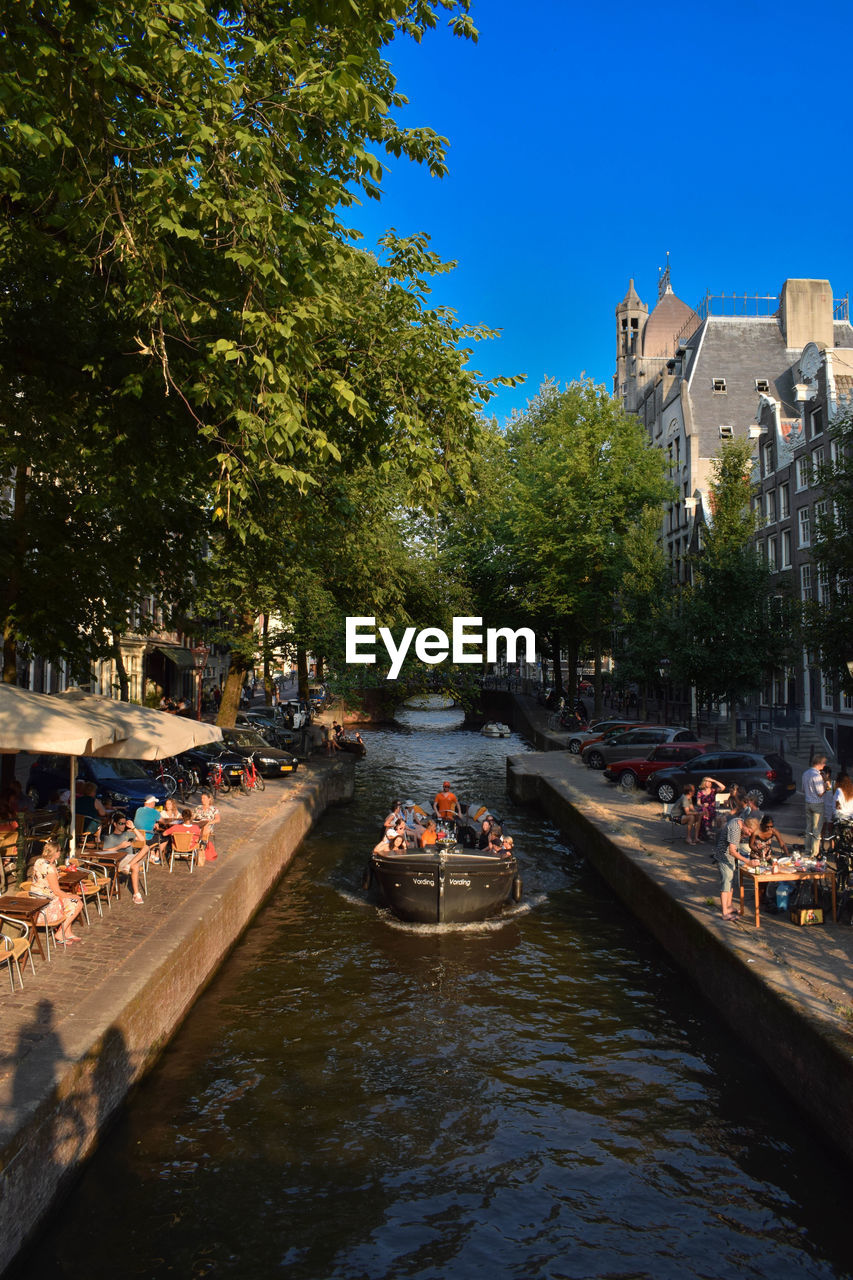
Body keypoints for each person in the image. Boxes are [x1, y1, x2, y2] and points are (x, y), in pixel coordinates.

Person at [712, 797, 759, 921]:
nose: (749, 834)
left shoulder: (740, 821)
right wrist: (747, 861)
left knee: (730, 882)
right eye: (749, 831)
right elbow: (732, 850)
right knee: (726, 883)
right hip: (724, 857)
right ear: (745, 825)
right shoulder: (734, 829)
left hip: (729, 857)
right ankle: (725, 912)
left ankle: (729, 906)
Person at [29, 838, 84, 942]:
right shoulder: (50, 869)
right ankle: (60, 932)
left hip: (36, 899)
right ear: (56, 853)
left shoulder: (39, 861)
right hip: (44, 906)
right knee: (77, 903)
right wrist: (73, 896)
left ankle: (68, 932)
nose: (60, 852)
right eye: (59, 850)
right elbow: (57, 891)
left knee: (69, 898)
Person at [102, 813, 148, 904]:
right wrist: (119, 846)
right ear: (115, 824)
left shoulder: (127, 834)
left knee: (146, 847)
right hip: (121, 860)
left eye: (124, 823)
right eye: (120, 823)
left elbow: (142, 839)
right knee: (135, 867)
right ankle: (136, 894)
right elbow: (105, 852)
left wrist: (133, 828)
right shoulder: (109, 837)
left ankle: (129, 865)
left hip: (131, 858)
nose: (123, 826)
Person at [803, 755, 827, 859]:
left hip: (808, 802)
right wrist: (826, 785)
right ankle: (814, 852)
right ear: (820, 763)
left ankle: (807, 850)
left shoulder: (805, 774)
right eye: (824, 763)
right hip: (817, 804)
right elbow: (820, 793)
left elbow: (803, 789)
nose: (825, 765)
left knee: (809, 827)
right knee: (817, 830)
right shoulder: (817, 776)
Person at [192, 792, 220, 861]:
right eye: (201, 798)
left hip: (207, 826)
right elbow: (192, 817)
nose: (202, 800)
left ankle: (199, 843)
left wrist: (209, 823)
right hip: (198, 825)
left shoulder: (214, 809)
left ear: (209, 799)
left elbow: (218, 819)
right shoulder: (198, 808)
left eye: (204, 798)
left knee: (205, 828)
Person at [696, 776, 726, 841]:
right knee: (704, 813)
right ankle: (707, 833)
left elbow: (723, 787)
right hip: (703, 808)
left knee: (710, 813)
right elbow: (698, 803)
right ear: (704, 783)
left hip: (711, 809)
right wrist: (702, 805)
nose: (709, 783)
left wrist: (714, 780)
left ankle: (708, 832)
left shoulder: (713, 790)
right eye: (707, 781)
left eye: (710, 782)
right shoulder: (700, 792)